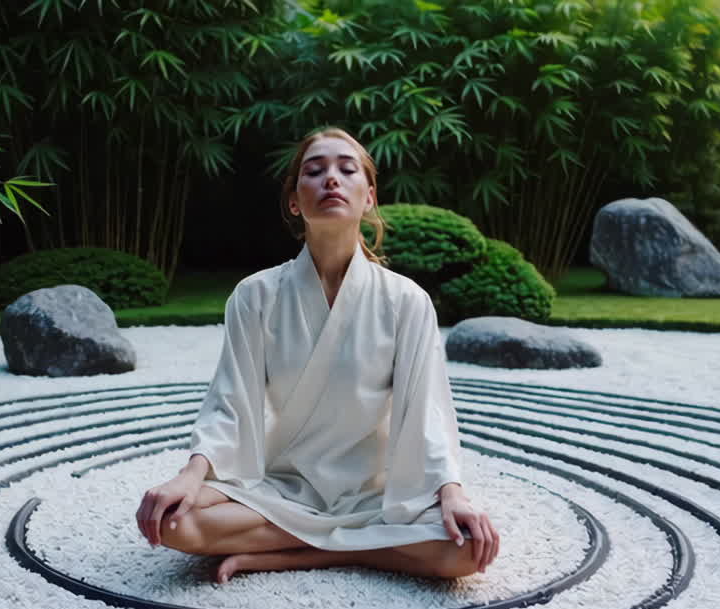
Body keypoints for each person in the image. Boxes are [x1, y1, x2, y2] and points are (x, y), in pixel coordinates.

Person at [135, 127, 500, 584]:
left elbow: (428, 410)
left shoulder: (406, 300)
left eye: (347, 170)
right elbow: (231, 402)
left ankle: (301, 552)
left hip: (377, 493)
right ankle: (360, 549)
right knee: (172, 523)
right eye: (315, 170)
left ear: (368, 198)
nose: (332, 179)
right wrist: (190, 475)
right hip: (285, 485)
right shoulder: (255, 295)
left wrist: (451, 492)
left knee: (469, 552)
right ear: (294, 201)